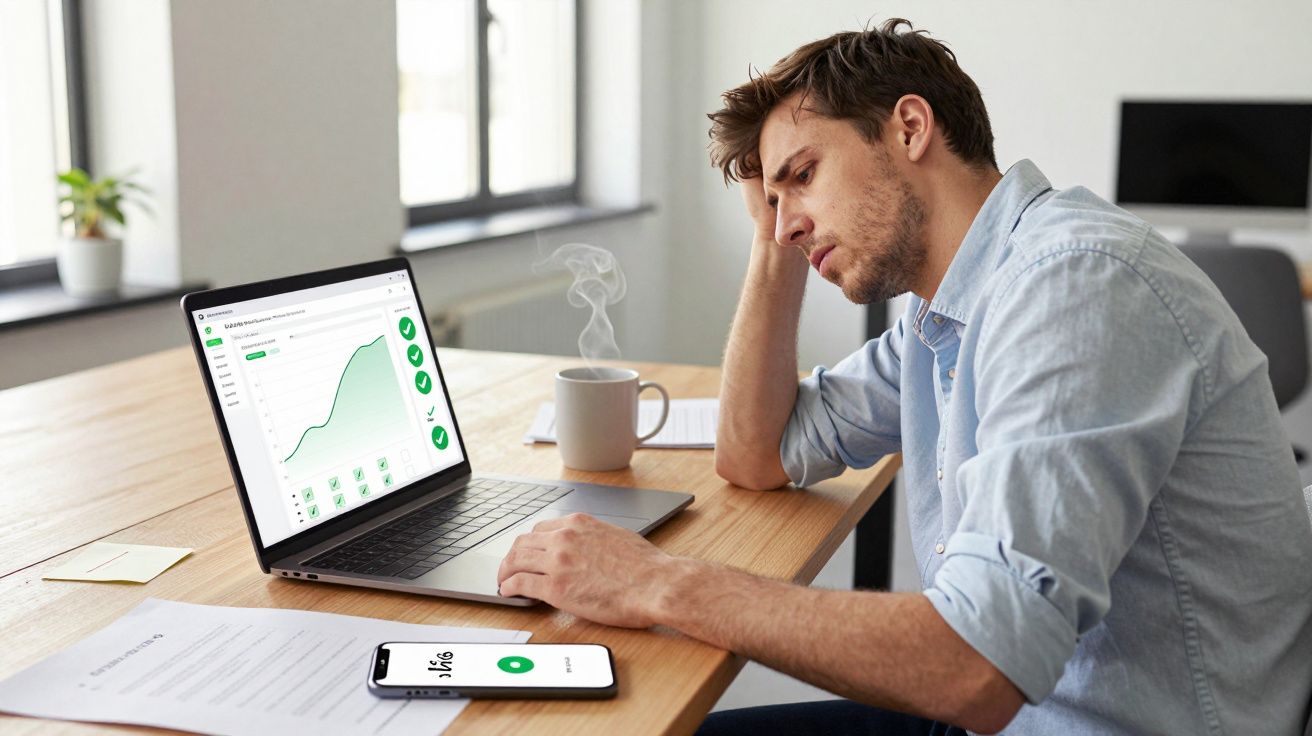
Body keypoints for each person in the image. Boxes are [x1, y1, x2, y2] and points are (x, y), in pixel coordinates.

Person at [497, 18, 1312, 734]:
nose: (789, 223)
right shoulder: (944, 315)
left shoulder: (1075, 284)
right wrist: (770, 232)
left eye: (804, 175)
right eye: (774, 202)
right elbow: (755, 453)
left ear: (910, 128)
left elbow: (975, 667)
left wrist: (656, 584)